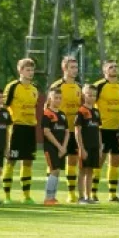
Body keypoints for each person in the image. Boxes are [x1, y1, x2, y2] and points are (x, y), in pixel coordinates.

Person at [3, 59, 40, 204]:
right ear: (20, 70)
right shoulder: (12, 87)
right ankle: (7, 196)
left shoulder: (35, 89)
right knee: (11, 160)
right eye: (27, 70)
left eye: (32, 70)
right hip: (16, 128)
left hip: (30, 128)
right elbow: (4, 106)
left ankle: (26, 195)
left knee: (28, 161)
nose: (30, 73)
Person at [91, 60, 119, 202]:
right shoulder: (99, 86)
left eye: (116, 67)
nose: (114, 69)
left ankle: (112, 194)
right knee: (100, 160)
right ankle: (93, 192)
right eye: (111, 67)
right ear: (105, 70)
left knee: (116, 161)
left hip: (117, 129)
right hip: (102, 129)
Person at [48, 57, 82, 202]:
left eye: (76, 67)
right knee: (54, 163)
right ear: (65, 69)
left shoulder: (79, 87)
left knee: (73, 161)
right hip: (58, 130)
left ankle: (71, 193)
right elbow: (47, 108)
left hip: (73, 130)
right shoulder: (57, 85)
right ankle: (50, 194)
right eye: (72, 67)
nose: (75, 70)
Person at [75, 85, 102, 205]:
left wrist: (100, 146)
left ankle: (88, 196)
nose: (92, 98)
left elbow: (98, 130)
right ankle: (81, 197)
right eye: (89, 95)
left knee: (90, 171)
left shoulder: (96, 112)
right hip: (85, 146)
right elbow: (77, 131)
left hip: (95, 146)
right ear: (83, 95)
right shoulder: (81, 111)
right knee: (82, 171)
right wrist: (81, 148)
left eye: (94, 95)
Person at [41, 90, 69, 206]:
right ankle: (48, 197)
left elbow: (67, 132)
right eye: (55, 97)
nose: (58, 100)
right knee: (54, 170)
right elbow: (47, 132)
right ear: (50, 99)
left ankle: (53, 197)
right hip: (51, 147)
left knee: (57, 171)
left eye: (60, 98)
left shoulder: (62, 114)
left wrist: (64, 147)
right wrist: (59, 146)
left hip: (61, 148)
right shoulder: (47, 114)